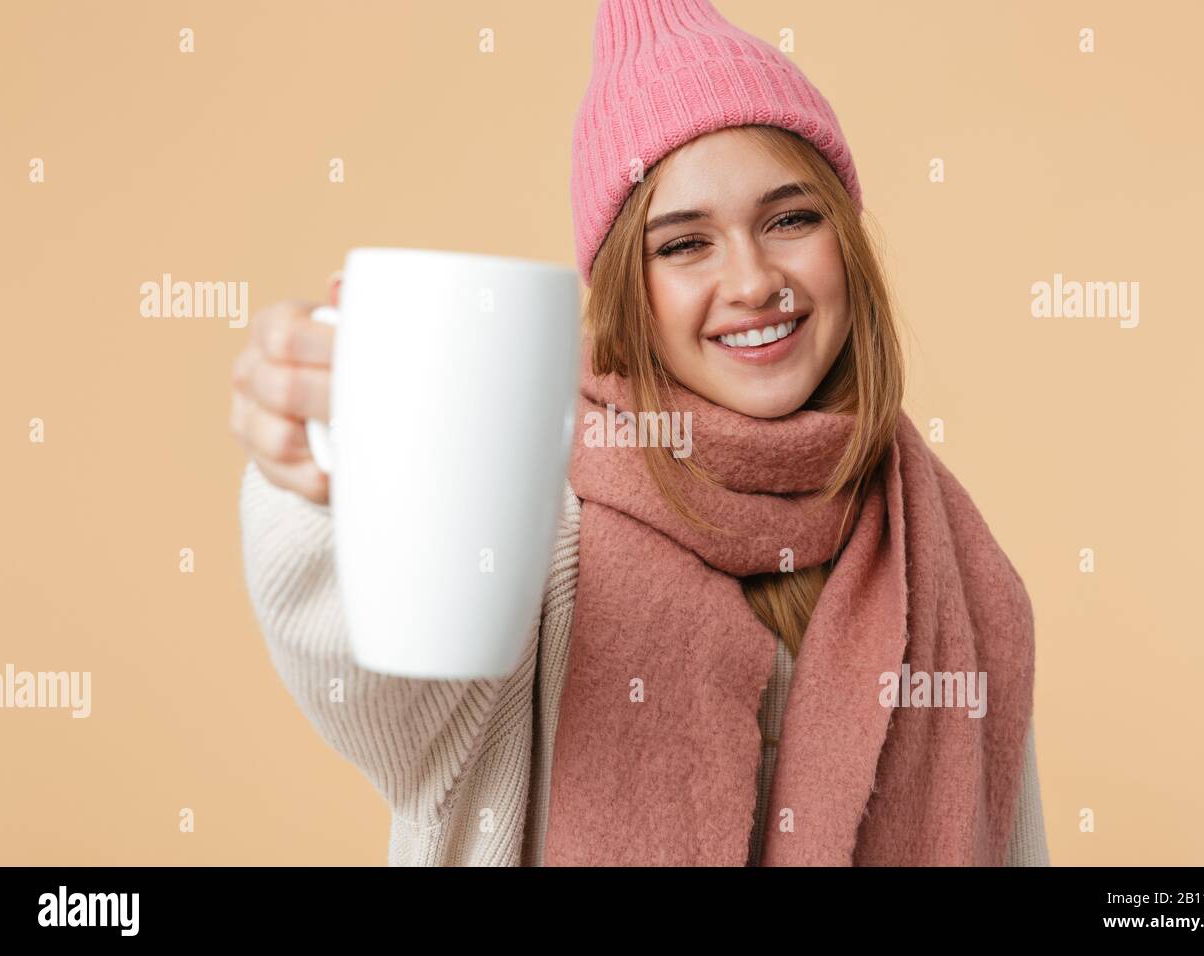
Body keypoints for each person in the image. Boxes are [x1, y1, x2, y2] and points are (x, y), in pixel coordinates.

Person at [230, 0, 1049, 866]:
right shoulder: (531, 520)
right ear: (630, 291)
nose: (753, 280)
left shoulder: (950, 558)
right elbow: (375, 681)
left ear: (846, 241)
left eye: (790, 219)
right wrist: (319, 479)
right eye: (685, 244)